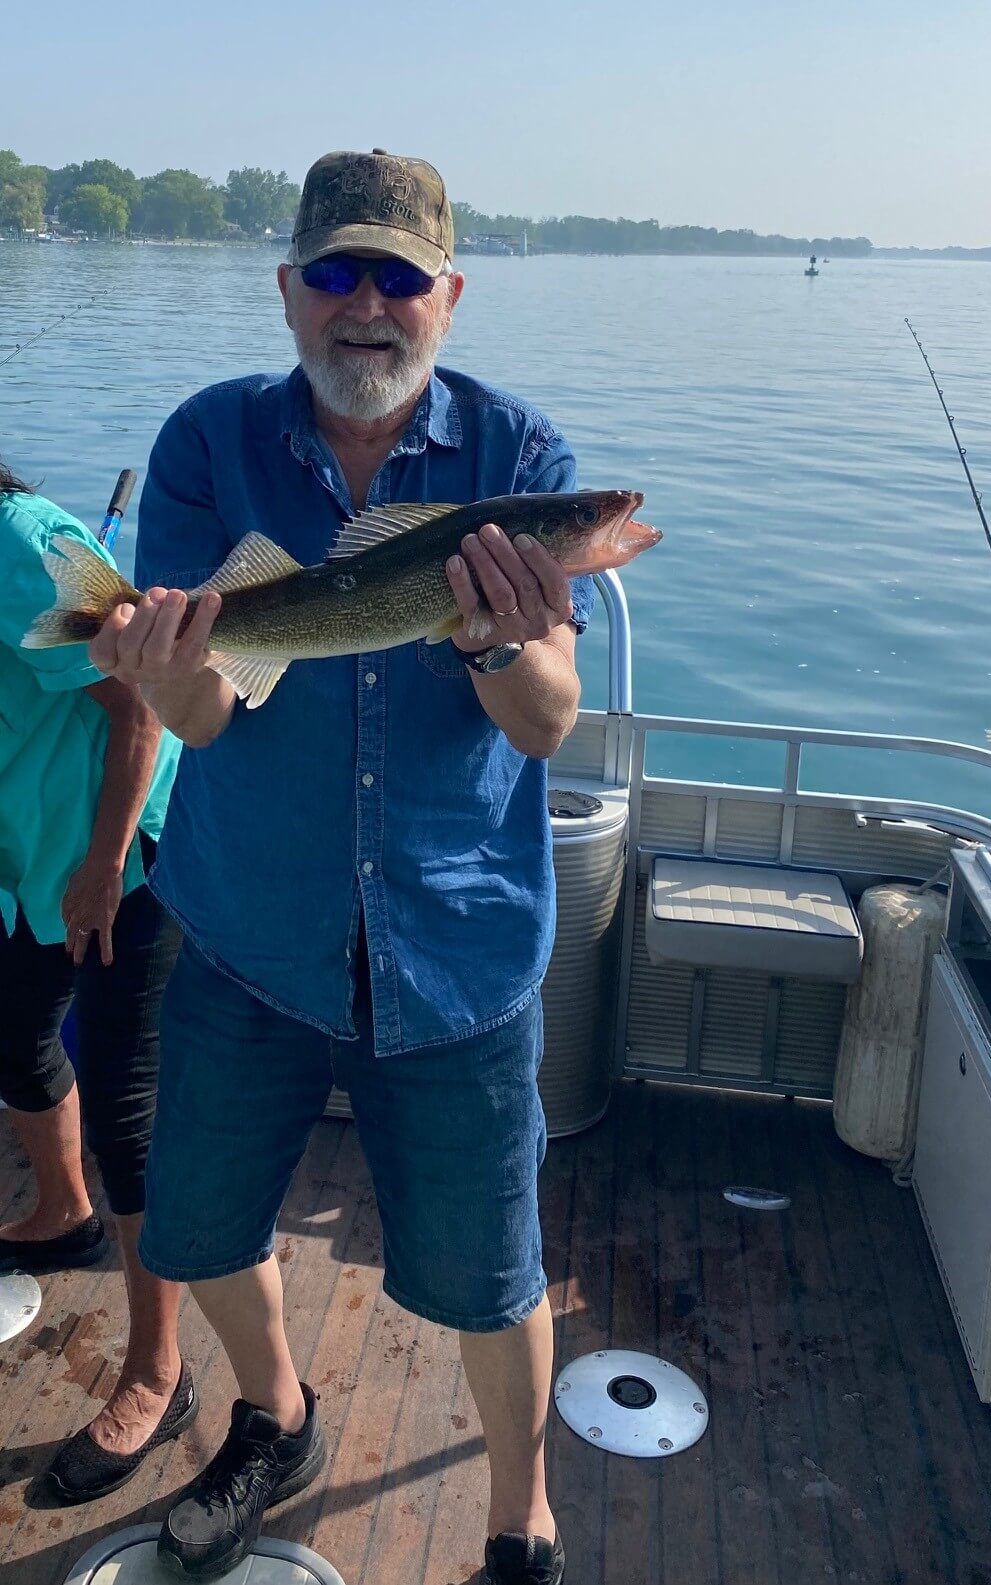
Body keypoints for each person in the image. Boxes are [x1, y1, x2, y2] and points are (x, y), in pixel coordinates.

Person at [89, 148, 595, 1585]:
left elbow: (546, 721)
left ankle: (519, 1511)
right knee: (201, 1222)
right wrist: (156, 665)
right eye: (335, 273)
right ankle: (277, 1415)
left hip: (458, 939)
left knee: (493, 1273)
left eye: (396, 276)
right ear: (288, 291)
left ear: (448, 294)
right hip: (246, 924)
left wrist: (498, 634)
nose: (364, 306)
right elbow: (200, 711)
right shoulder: (209, 443)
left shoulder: (522, 463)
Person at [0, 462, 196, 1502]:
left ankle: (159, 1372)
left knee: (127, 1105)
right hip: (26, 864)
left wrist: (103, 866)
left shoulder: (25, 543)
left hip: (115, 862)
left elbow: (142, 708)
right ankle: (64, 1214)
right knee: (15, 1034)